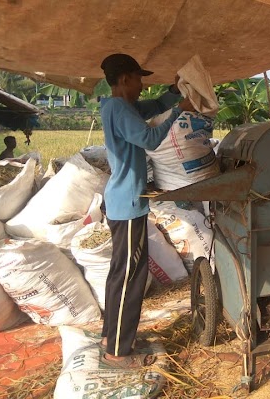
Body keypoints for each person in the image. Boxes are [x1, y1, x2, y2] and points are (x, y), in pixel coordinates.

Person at [99, 53, 194, 369]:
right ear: (124, 79)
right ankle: (118, 352)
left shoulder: (121, 106)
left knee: (119, 275)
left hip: (124, 202)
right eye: (138, 79)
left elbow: (152, 107)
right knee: (130, 278)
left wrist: (173, 92)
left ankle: (109, 337)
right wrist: (179, 112)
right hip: (127, 205)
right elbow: (150, 139)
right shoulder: (120, 110)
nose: (142, 85)